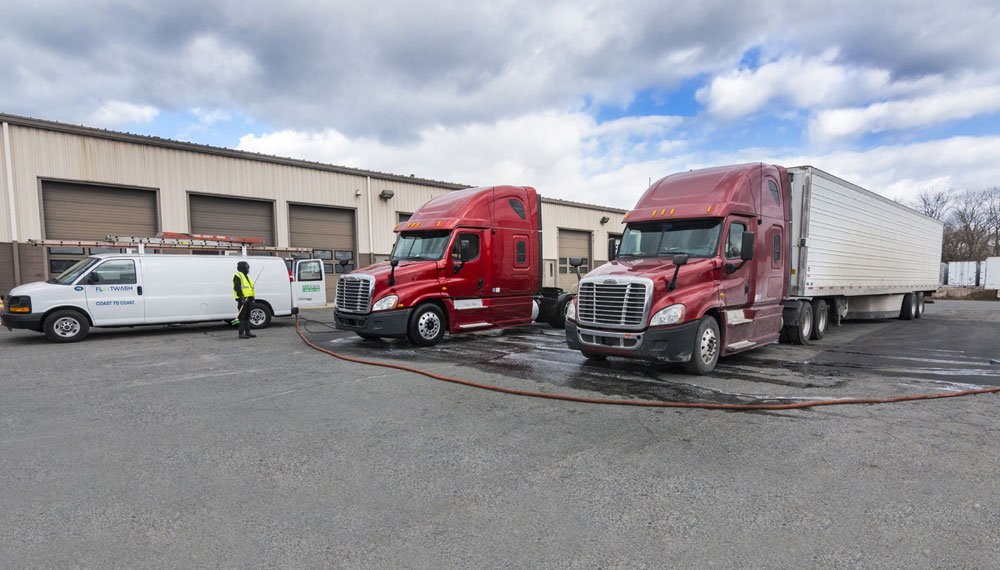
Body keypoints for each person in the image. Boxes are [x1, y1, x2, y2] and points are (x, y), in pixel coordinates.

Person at [233, 260, 257, 339]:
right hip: (242, 299)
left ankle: (248, 332)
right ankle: (241, 333)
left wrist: (252, 299)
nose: (248, 269)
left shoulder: (246, 276)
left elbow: (251, 289)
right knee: (242, 317)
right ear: (243, 267)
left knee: (247, 316)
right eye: (247, 267)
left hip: (249, 299)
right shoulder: (237, 275)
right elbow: (237, 288)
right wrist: (242, 298)